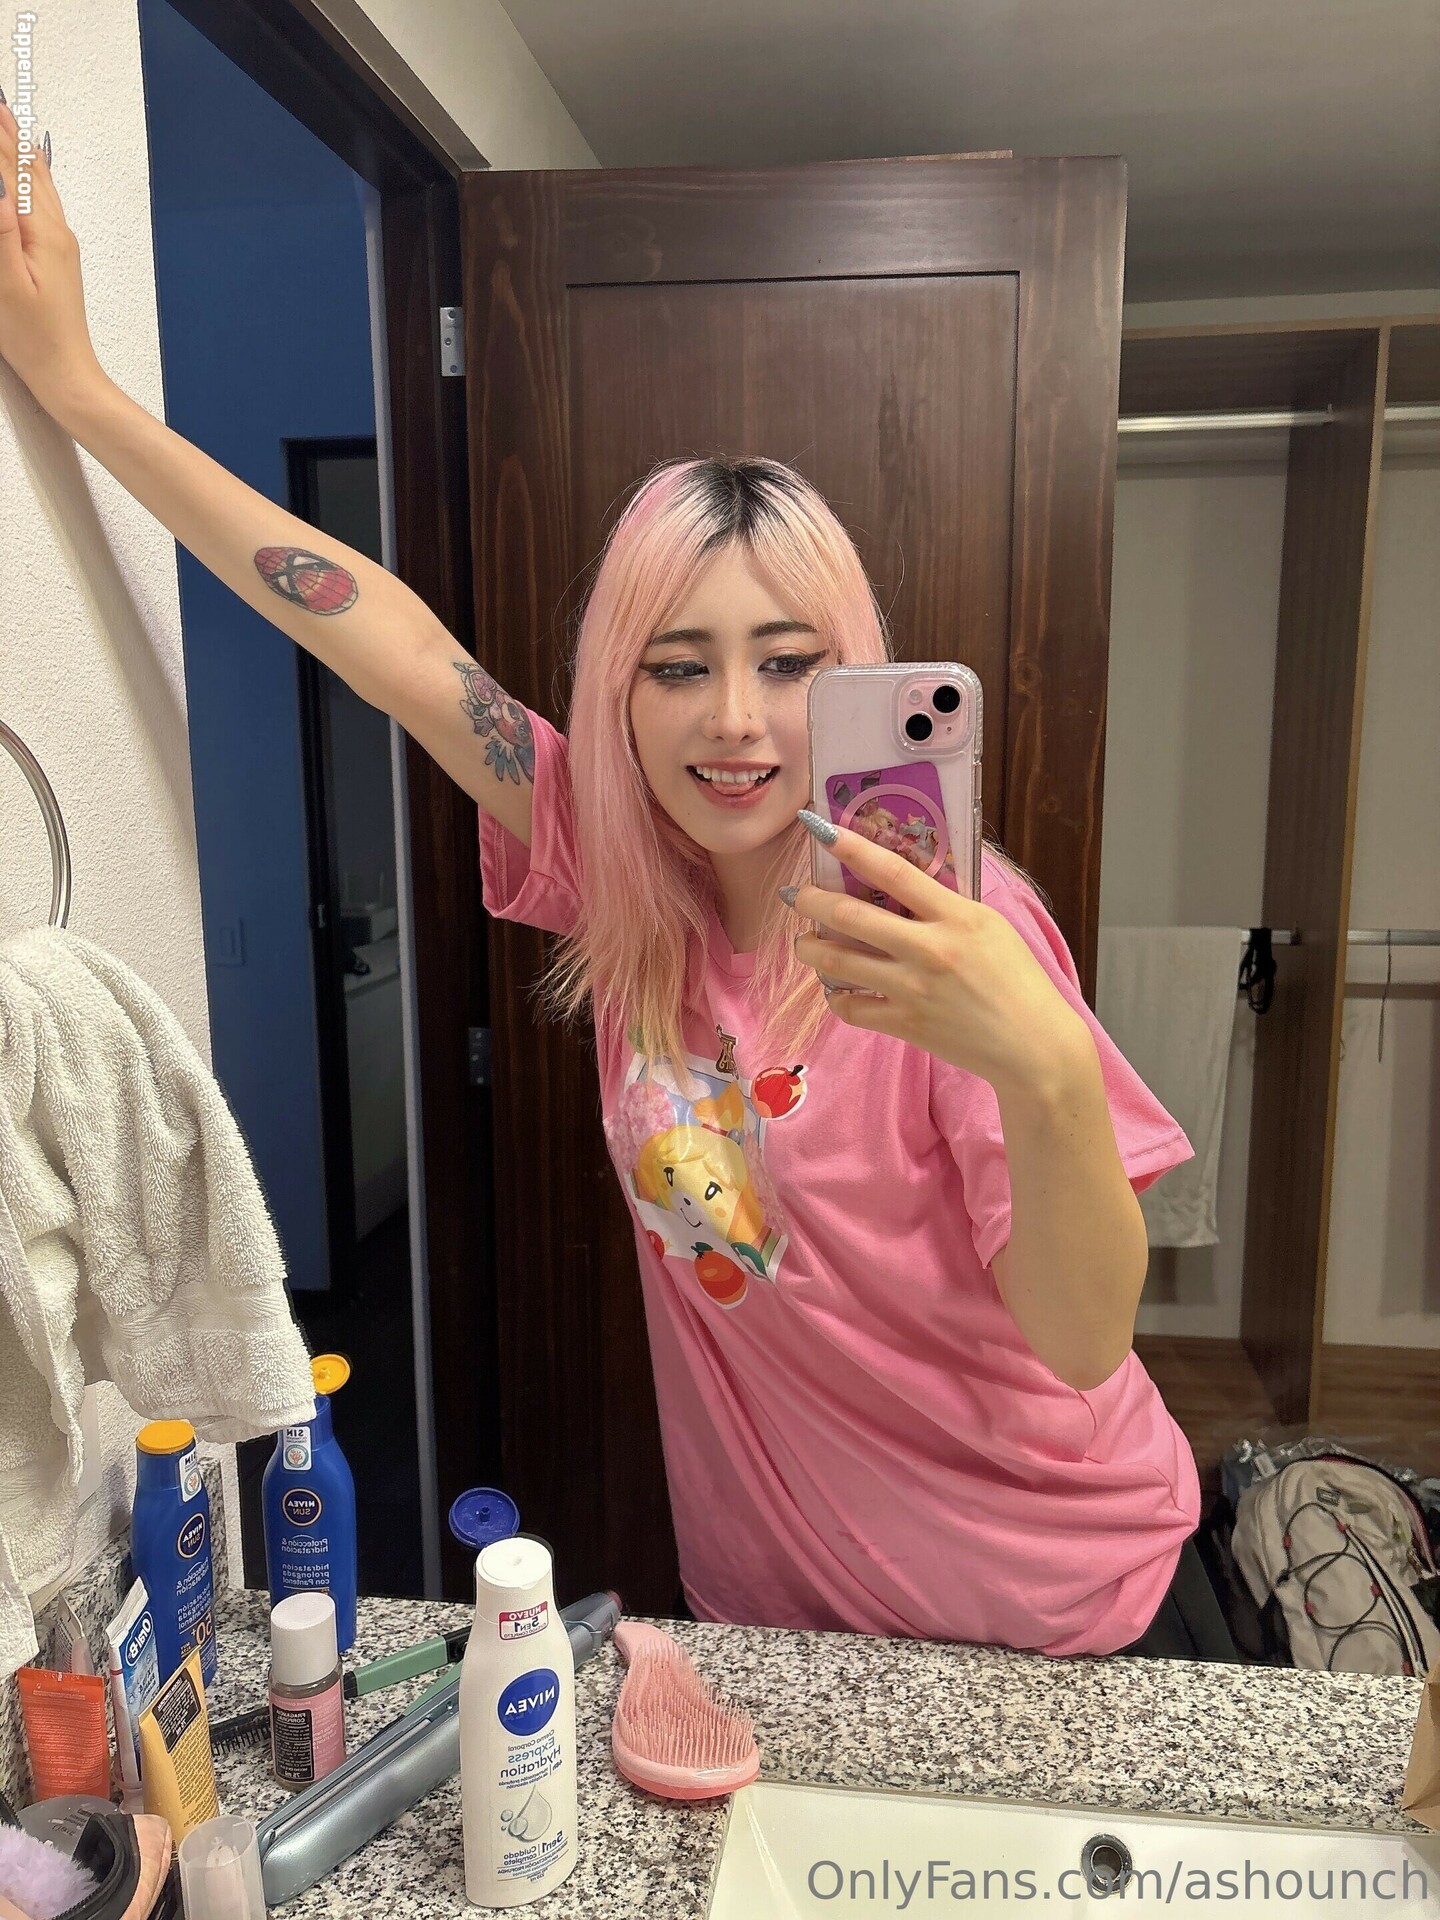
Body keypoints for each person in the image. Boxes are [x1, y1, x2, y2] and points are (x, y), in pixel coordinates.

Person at [0, 106, 1235, 1661]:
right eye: (678, 665)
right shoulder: (611, 858)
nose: (735, 720)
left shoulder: (943, 930)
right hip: (781, 1624)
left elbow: (1086, 1335)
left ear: (853, 678)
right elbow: (381, 634)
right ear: (619, 694)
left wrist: (1045, 1064)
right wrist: (80, 390)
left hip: (1062, 1618)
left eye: (788, 663)